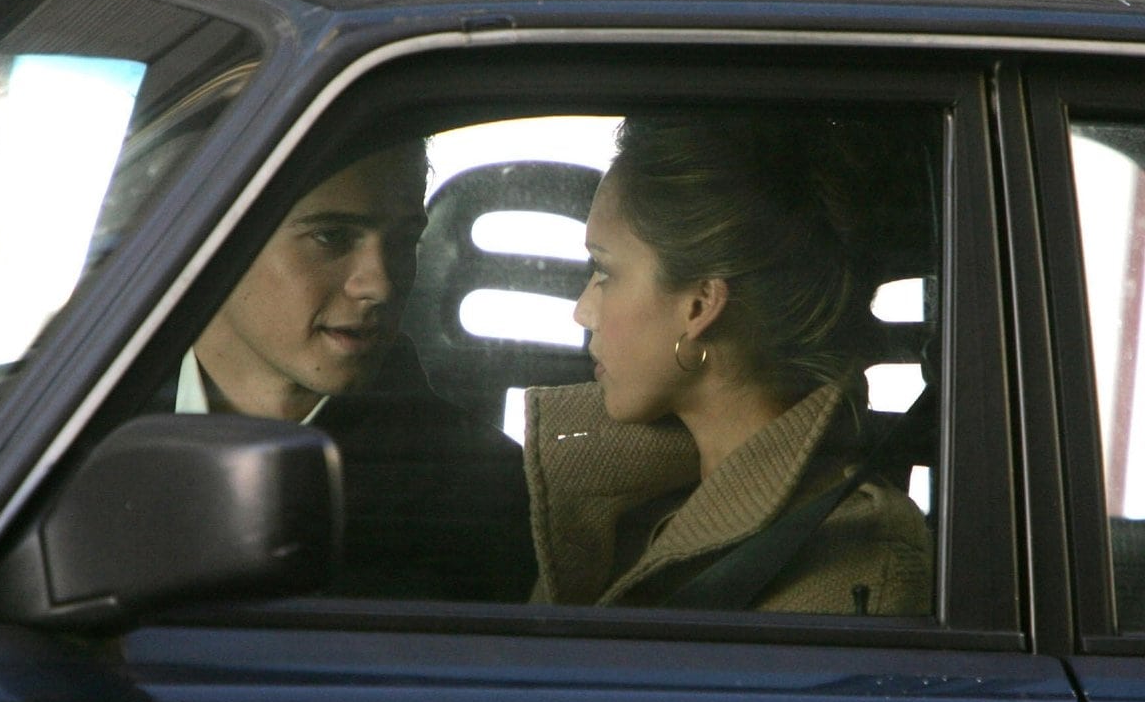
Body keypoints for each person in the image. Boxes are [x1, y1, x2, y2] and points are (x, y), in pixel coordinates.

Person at [523, 114, 932, 613]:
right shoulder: (626, 507)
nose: (582, 310)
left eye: (605, 272)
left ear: (699, 306)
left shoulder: (856, 572)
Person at [161, 140, 537, 602]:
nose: (379, 284)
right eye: (331, 237)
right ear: (215, 232)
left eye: (404, 242)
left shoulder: (486, 496)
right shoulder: (75, 412)